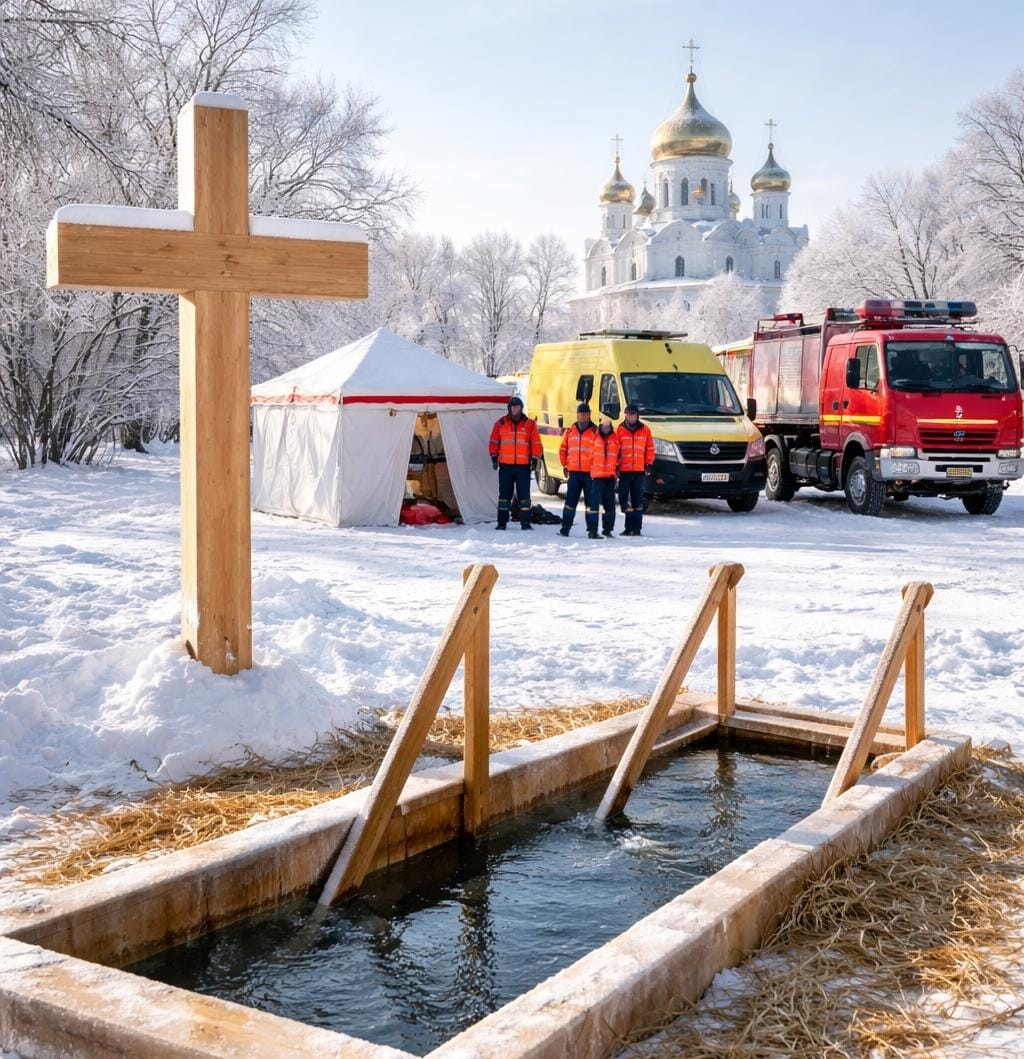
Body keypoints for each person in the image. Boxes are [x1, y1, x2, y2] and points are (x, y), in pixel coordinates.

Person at [488, 396, 541, 530]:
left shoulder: (530, 425)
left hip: (523, 466)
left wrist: (535, 459)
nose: (515, 409)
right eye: (512, 407)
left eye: (517, 407)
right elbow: (493, 442)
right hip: (505, 466)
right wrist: (494, 457)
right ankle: (502, 522)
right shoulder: (500, 424)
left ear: (521, 408)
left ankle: (525, 522)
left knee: (524, 496)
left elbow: (536, 443)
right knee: (504, 496)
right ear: (509, 408)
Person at [616, 403, 655, 536]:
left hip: (639, 470)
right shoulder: (619, 430)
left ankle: (636, 528)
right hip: (624, 470)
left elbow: (650, 448)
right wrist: (615, 465)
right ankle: (628, 527)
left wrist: (648, 463)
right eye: (628, 414)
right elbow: (616, 450)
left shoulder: (645, 430)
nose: (630, 416)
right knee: (623, 498)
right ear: (625, 415)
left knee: (637, 500)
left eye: (633, 414)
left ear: (637, 415)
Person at [557, 403, 596, 536]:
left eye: (585, 414)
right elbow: (563, 449)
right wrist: (565, 465)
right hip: (574, 472)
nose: (583, 416)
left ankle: (592, 530)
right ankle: (565, 528)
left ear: (589, 415)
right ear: (577, 415)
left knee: (591, 504)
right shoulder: (570, 431)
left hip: (590, 473)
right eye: (581, 414)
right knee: (570, 502)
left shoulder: (595, 432)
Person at [587, 415, 620, 539]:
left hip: (610, 476)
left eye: (608, 426)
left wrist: (617, 469)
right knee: (594, 504)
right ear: (600, 426)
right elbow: (588, 455)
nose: (606, 428)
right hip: (596, 476)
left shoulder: (615, 439)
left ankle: (608, 529)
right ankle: (593, 530)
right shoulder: (594, 438)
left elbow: (619, 455)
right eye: (604, 426)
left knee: (609, 505)